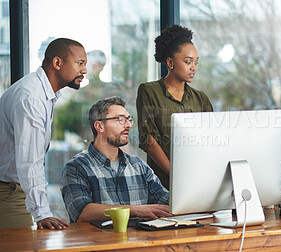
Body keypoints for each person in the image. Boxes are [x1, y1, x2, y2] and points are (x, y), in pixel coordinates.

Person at [0, 38, 87, 229]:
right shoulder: (31, 97)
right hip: (8, 191)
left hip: (15, 189)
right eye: (80, 63)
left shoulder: (42, 93)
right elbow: (29, 161)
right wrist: (42, 213)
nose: (84, 71)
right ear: (57, 63)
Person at [61, 96, 171, 223]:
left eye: (129, 120)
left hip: (139, 241)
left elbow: (165, 201)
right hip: (100, 242)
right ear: (99, 126)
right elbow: (81, 212)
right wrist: (134, 210)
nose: (129, 125)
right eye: (120, 119)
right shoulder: (76, 167)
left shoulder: (138, 165)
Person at [136, 24, 213, 189]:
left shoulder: (201, 99)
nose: (193, 67)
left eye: (196, 62)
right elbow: (149, 140)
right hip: (162, 184)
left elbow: (210, 141)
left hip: (199, 181)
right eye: (188, 62)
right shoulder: (149, 91)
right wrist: (176, 175)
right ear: (170, 62)